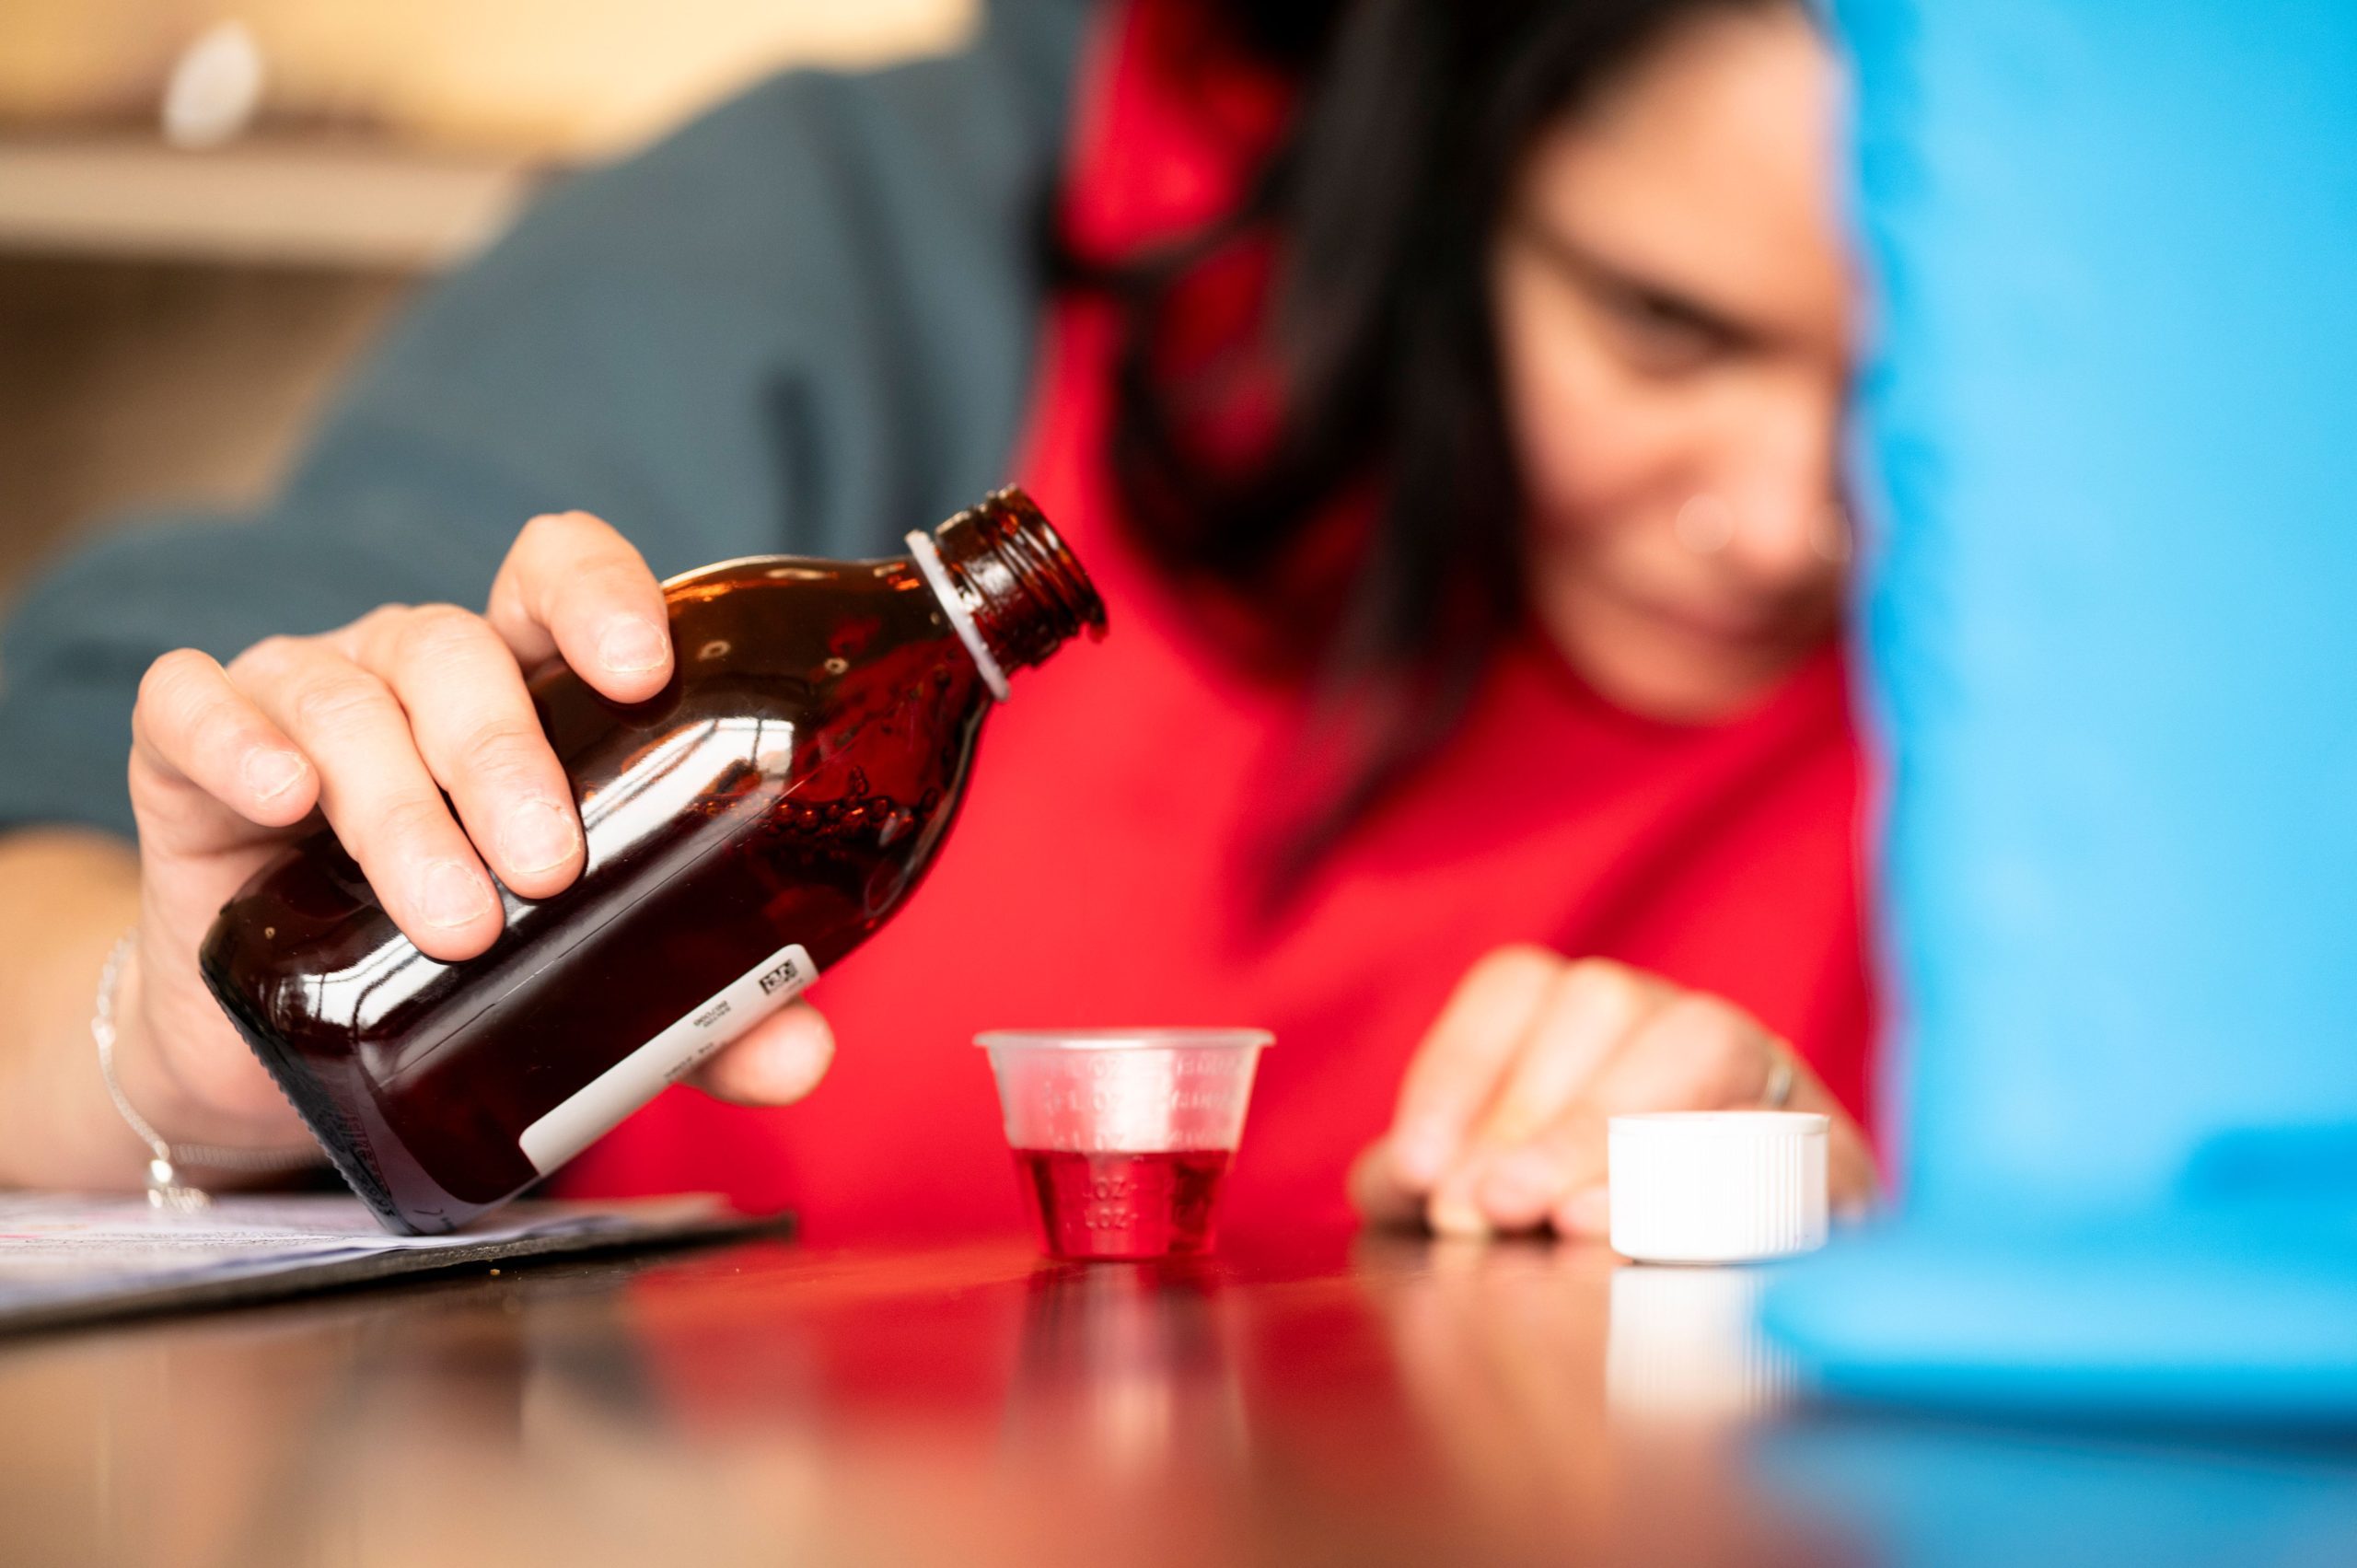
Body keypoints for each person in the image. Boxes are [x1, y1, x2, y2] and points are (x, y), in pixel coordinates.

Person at [0, 0, 1878, 1240]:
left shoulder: (2082, 652)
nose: (1791, 516)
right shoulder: (857, 251)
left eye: (1909, 381)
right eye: (1661, 328)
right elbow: (70, 842)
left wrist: (1822, 1242)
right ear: (1437, 160)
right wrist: (161, 1053)